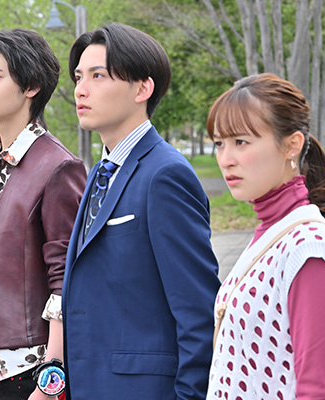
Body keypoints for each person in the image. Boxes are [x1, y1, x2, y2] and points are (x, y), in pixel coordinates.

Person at [62, 23, 221, 399]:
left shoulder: (166, 174)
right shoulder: (100, 172)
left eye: (98, 76)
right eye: (79, 77)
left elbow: (198, 310)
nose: (81, 89)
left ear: (142, 89)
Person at [0, 28, 86, 400]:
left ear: (31, 86)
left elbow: (66, 280)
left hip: (32, 371)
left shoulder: (57, 166)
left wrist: (52, 379)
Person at [206, 73, 325, 399]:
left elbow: (317, 390)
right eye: (219, 143)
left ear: (292, 145)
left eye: (241, 142)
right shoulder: (272, 232)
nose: (226, 159)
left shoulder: (308, 247)